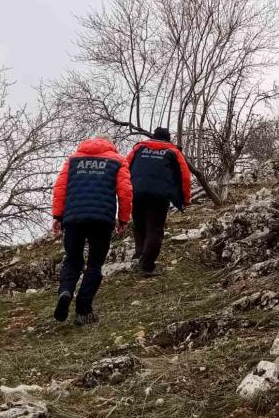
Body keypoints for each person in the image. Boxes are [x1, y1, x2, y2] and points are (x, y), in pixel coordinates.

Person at [51, 135, 132, 325]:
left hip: (73, 218)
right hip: (101, 219)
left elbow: (60, 188)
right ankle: (83, 310)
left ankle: (65, 291)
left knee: (73, 259)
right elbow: (126, 192)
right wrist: (123, 218)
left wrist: (57, 216)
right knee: (95, 264)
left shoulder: (73, 160)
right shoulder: (118, 160)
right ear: (110, 145)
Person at [125, 127, 191, 277]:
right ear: (168, 139)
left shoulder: (139, 148)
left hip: (136, 192)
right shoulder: (173, 152)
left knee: (139, 225)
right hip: (159, 196)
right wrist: (186, 199)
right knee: (154, 229)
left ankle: (140, 255)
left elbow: (125, 167)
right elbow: (185, 176)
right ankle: (146, 266)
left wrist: (124, 193)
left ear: (153, 136)